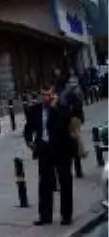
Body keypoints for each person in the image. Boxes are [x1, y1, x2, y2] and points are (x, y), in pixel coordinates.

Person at [22, 84, 76, 225]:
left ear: (54, 95)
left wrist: (54, 107)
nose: (46, 97)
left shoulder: (61, 108)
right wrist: (29, 141)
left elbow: (66, 121)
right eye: (44, 94)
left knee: (65, 182)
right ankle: (45, 216)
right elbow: (29, 127)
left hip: (61, 150)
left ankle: (66, 215)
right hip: (44, 150)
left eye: (49, 94)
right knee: (45, 184)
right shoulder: (36, 110)